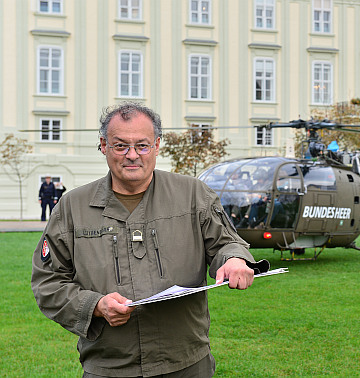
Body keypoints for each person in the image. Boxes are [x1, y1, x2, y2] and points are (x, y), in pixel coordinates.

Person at [31, 102, 264, 377]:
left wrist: (235, 258)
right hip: (111, 367)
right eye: (121, 146)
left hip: (187, 364)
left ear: (157, 145)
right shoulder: (72, 208)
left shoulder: (193, 195)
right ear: (104, 146)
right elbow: (48, 283)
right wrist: (94, 306)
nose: (132, 155)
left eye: (142, 145)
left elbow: (227, 242)